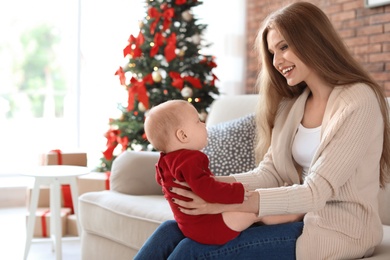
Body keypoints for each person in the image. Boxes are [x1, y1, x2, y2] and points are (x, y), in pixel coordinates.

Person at [135, 1, 390, 259]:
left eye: (284, 47)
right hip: (295, 218)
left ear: (313, 40)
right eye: (272, 53)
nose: (277, 61)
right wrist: (204, 186)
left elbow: (315, 192)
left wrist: (223, 200)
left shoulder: (358, 100)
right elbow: (271, 172)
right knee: (169, 231)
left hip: (339, 229)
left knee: (191, 251)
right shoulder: (293, 105)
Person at [143, 100, 299, 245]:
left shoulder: (165, 161)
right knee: (255, 212)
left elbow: (165, 182)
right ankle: (293, 216)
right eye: (198, 121)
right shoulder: (190, 160)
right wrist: (238, 191)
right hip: (211, 227)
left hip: (192, 226)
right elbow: (208, 190)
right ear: (183, 135)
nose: (203, 124)